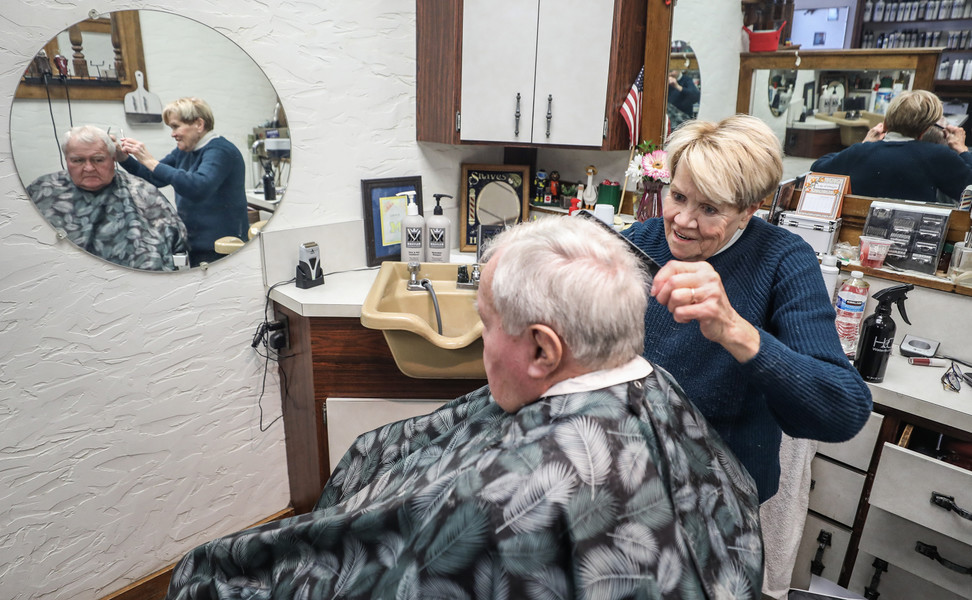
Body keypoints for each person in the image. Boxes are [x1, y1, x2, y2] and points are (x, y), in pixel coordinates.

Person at [163, 217, 765, 599]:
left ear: (541, 348)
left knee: (210, 574)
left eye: (485, 323)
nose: (480, 341)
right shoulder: (656, 390)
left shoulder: (503, 505)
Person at [622, 114, 873, 598]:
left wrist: (734, 329)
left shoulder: (784, 260)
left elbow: (843, 409)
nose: (683, 220)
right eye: (678, 196)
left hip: (717, 504)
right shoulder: (640, 240)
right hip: (628, 484)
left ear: (750, 209)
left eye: (710, 209)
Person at [26, 125, 189, 271]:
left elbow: (178, 247)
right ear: (66, 160)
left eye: (98, 160)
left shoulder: (143, 193)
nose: (89, 168)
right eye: (78, 160)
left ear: (113, 158)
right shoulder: (43, 191)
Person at [117, 97, 248, 266]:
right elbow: (152, 176)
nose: (173, 134)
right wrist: (123, 157)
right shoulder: (184, 152)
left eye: (176, 126)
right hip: (198, 245)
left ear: (199, 125)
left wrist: (150, 161)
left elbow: (198, 187)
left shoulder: (220, 150)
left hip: (223, 249)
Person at [810, 90, 972, 205]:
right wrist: (962, 149)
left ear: (886, 123)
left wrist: (864, 144)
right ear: (926, 129)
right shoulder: (937, 156)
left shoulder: (861, 152)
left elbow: (818, 168)